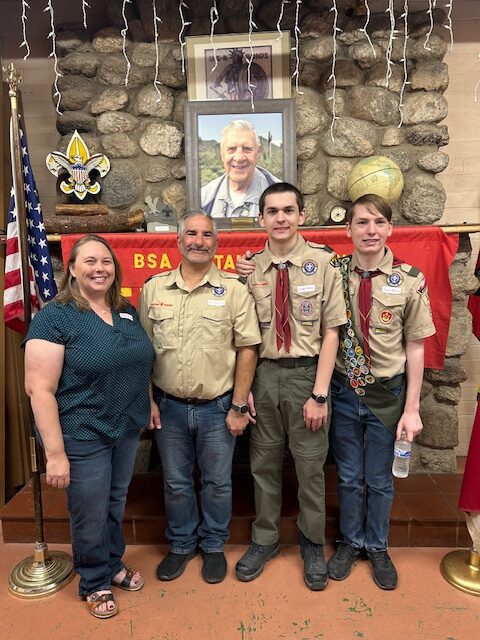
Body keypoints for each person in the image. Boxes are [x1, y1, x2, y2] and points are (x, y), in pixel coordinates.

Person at [24, 234, 154, 620]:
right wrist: (55, 454)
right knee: (90, 511)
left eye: (106, 262)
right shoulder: (56, 317)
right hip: (81, 433)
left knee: (114, 502)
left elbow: (138, 361)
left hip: (124, 428)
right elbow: (39, 389)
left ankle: (112, 563)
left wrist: (147, 401)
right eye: (90, 262)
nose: (100, 269)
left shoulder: (125, 310)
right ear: (72, 270)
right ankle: (94, 580)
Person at [235, 183, 347, 591]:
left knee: (310, 465)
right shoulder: (248, 269)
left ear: (301, 216)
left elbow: (332, 331)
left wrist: (319, 394)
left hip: (306, 374)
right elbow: (241, 336)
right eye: (272, 211)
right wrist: (243, 386)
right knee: (263, 462)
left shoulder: (324, 262)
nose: (280, 218)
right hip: (263, 374)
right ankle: (265, 539)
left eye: (288, 210)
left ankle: (312, 543)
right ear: (261, 219)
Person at [139, 211, 261, 584]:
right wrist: (148, 400)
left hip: (218, 407)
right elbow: (141, 351)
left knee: (218, 483)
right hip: (169, 407)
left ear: (216, 243)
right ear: (178, 241)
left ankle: (212, 545)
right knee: (175, 482)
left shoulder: (234, 290)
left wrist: (238, 405)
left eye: (207, 235)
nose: (198, 241)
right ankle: (180, 545)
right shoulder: (154, 289)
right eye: (191, 234)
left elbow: (248, 348)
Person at [327, 194, 436, 590]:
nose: (370, 231)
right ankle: (350, 541)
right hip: (344, 390)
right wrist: (248, 264)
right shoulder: (333, 273)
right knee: (348, 476)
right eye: (362, 222)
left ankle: (376, 545)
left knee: (379, 477)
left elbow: (416, 346)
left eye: (378, 222)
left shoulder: (409, 279)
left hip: (387, 395)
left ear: (390, 228)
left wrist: (412, 408)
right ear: (349, 230)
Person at [201, 120, 280, 218]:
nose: (239, 158)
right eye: (231, 149)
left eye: (247, 149)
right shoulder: (204, 199)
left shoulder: (280, 194)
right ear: (222, 154)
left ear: (258, 153)